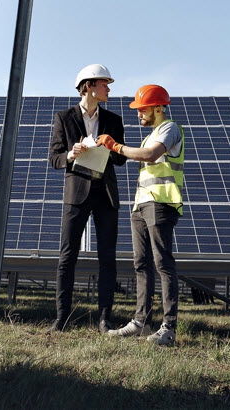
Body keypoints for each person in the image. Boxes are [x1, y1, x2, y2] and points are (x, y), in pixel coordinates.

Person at [100, 83, 186, 347]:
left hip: (161, 203)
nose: (139, 114)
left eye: (143, 109)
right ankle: (141, 322)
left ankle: (168, 327)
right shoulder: (151, 134)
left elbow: (150, 156)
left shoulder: (169, 129)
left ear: (158, 108)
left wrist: (115, 147)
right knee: (141, 264)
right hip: (141, 205)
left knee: (162, 263)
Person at [47, 63, 126, 332]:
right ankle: (62, 318)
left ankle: (105, 319)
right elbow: (55, 158)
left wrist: (110, 145)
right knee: (67, 257)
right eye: (105, 84)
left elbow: (120, 160)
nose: (109, 89)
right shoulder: (64, 117)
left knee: (107, 258)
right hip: (77, 193)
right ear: (89, 86)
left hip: (105, 194)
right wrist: (72, 153)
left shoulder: (114, 120)